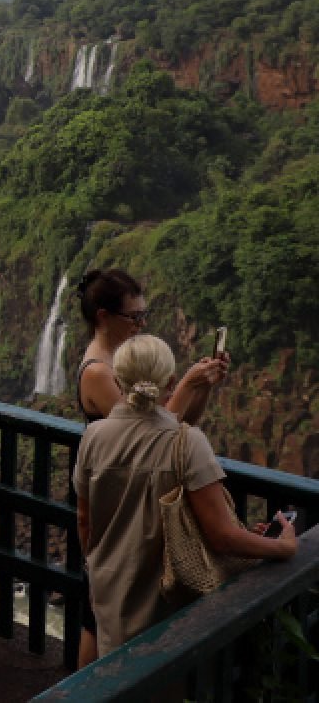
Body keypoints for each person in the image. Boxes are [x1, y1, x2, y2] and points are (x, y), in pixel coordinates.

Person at [73, 334, 297, 658]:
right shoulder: (188, 443)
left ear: (118, 381)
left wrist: (94, 569)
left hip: (108, 589)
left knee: (113, 677)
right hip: (165, 599)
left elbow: (84, 520)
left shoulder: (93, 437)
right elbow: (222, 537)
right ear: (170, 381)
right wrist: (282, 546)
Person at [73, 268, 229, 666]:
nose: (142, 325)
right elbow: (148, 434)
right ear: (104, 316)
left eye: (145, 316)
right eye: (134, 317)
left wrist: (201, 388)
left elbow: (175, 428)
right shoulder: (99, 372)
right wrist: (187, 386)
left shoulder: (122, 363)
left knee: (102, 615)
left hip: (128, 490)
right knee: (100, 615)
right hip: (118, 494)